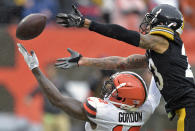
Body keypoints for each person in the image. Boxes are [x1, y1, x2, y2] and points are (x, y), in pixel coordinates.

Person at [55, 4, 195, 131]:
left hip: (189, 107)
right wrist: (84, 60)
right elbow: (122, 63)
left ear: (165, 24)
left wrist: (86, 23)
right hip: (186, 107)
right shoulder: (161, 53)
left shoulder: (163, 41)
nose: (149, 24)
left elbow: (126, 35)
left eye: (154, 20)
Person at [17, 43, 161, 131]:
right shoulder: (144, 109)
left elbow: (58, 100)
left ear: (122, 98)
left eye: (112, 88)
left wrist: (35, 68)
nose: (106, 87)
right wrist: (162, 64)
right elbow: (154, 95)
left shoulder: (104, 113)